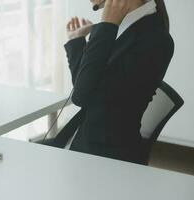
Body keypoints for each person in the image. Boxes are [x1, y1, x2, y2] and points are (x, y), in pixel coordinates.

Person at [49, 0, 174, 165]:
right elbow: (84, 85)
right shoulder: (116, 26)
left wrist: (106, 25)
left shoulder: (156, 40)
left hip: (108, 155)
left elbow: (82, 96)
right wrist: (76, 41)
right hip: (84, 139)